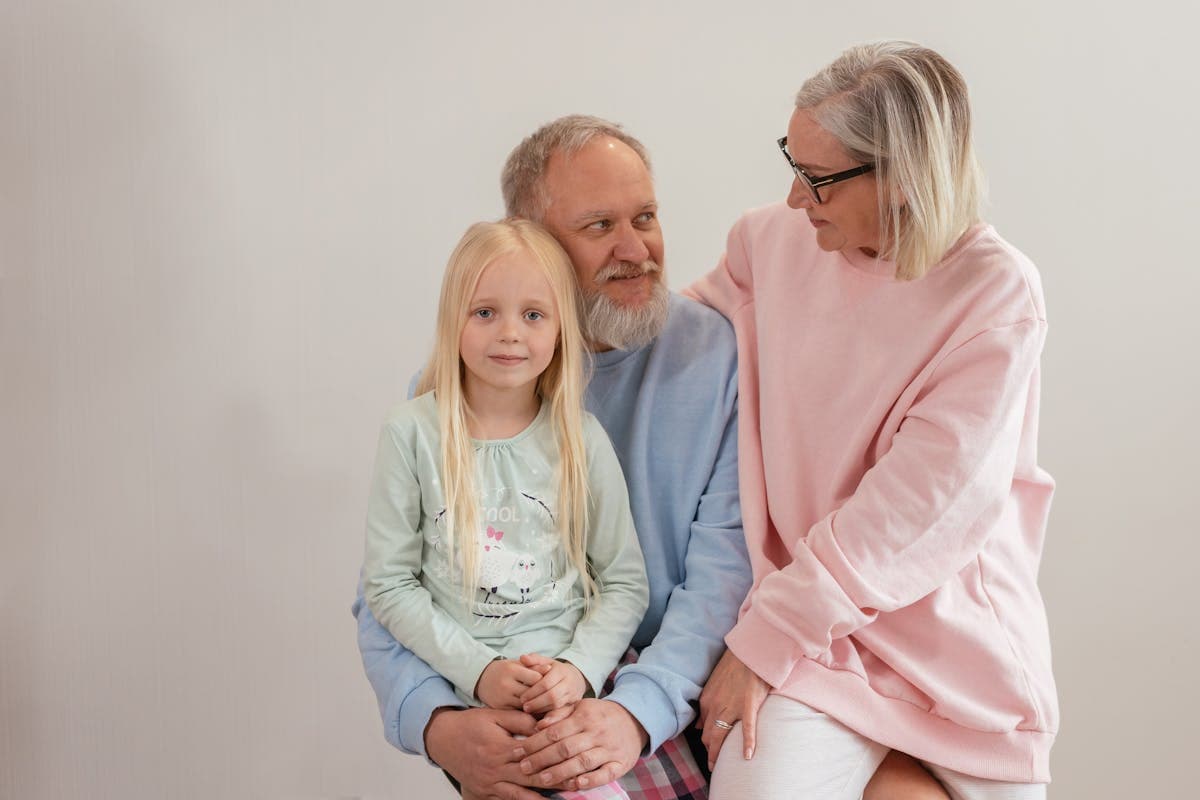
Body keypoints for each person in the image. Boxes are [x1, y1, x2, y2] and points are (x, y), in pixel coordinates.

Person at [688, 41, 1059, 799]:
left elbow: (912, 512)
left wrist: (761, 646)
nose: (796, 199)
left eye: (818, 180)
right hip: (816, 636)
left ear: (902, 177)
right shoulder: (770, 244)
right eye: (792, 163)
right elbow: (674, 353)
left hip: (949, 644)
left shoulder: (993, 295)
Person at [353, 115, 750, 800]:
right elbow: (387, 589)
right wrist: (437, 723)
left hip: (663, 689)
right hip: (502, 692)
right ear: (533, 245)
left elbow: (724, 571)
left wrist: (633, 712)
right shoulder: (449, 395)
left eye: (645, 217)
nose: (636, 248)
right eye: (599, 226)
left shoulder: (714, 356)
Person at [362, 218, 650, 799]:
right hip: (474, 702)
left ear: (561, 328)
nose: (510, 334)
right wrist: (481, 673)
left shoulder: (581, 439)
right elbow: (389, 584)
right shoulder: (411, 434)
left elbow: (623, 583)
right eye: (485, 312)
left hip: (569, 694)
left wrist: (577, 673)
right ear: (454, 320)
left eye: (534, 315)